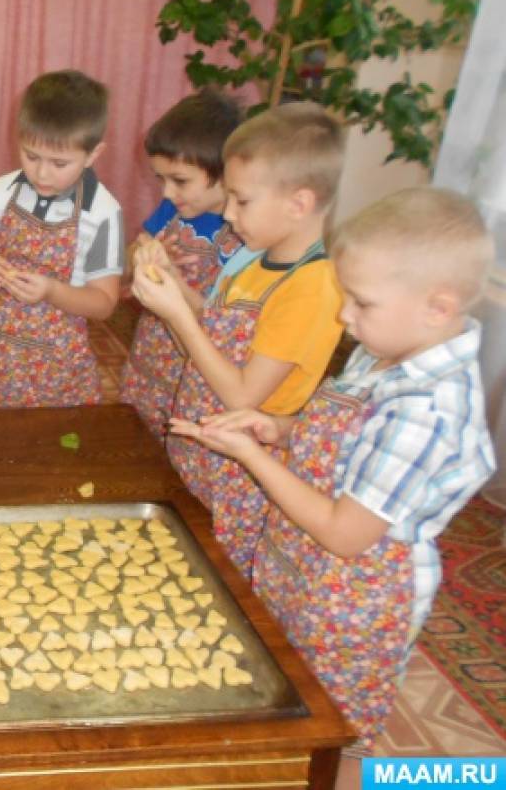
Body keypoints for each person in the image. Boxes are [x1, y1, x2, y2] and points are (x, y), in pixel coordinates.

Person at [169, 188, 496, 747]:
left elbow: (346, 534)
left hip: (351, 599)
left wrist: (251, 457)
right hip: (302, 565)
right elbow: (348, 433)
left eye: (361, 303)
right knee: (282, 684)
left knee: (329, 730)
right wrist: (280, 429)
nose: (344, 316)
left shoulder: (428, 411)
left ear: (437, 308)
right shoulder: (389, 349)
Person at [131, 101, 345, 577]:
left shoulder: (313, 286)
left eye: (242, 201)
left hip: (240, 470)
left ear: (299, 204)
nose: (228, 213)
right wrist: (175, 288)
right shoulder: (253, 259)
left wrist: (176, 314)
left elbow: (244, 395)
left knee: (220, 576)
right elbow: (211, 334)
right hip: (201, 446)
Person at [0, 70, 122, 409]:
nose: (42, 173)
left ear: (93, 154)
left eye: (59, 163)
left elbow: (103, 304)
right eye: (31, 155)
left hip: (54, 370)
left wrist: (52, 291)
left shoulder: (102, 212)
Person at [119, 91, 244, 436]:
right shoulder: (173, 208)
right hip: (148, 360)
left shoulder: (244, 235)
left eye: (180, 181)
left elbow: (222, 326)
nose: (167, 193)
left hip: (194, 378)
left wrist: (175, 282)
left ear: (225, 171)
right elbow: (132, 255)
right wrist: (141, 253)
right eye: (161, 179)